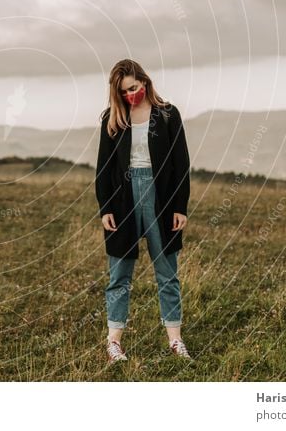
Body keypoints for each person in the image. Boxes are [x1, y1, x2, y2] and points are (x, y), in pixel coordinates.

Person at [95, 58, 192, 363]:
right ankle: (114, 342)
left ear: (145, 83)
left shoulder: (167, 115)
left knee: (167, 271)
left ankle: (175, 341)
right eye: (124, 92)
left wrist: (180, 206)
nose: (130, 96)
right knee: (119, 274)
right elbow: (104, 167)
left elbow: (181, 164)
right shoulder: (112, 119)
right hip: (122, 199)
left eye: (133, 88)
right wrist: (106, 207)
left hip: (161, 197)